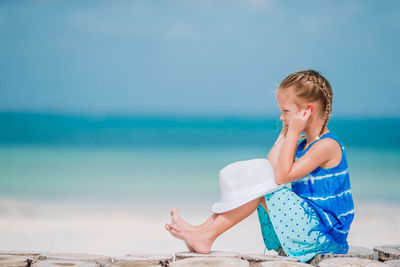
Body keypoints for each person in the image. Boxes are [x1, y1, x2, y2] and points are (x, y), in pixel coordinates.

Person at [164, 69, 355, 263]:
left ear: (308, 111)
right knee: (259, 180)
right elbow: (270, 168)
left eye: (286, 111)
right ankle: (203, 231)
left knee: (261, 188)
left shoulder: (327, 145)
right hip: (310, 227)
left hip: (325, 237)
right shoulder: (301, 145)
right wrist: (286, 133)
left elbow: (281, 177)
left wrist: (293, 132)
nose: (282, 117)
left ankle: (206, 235)